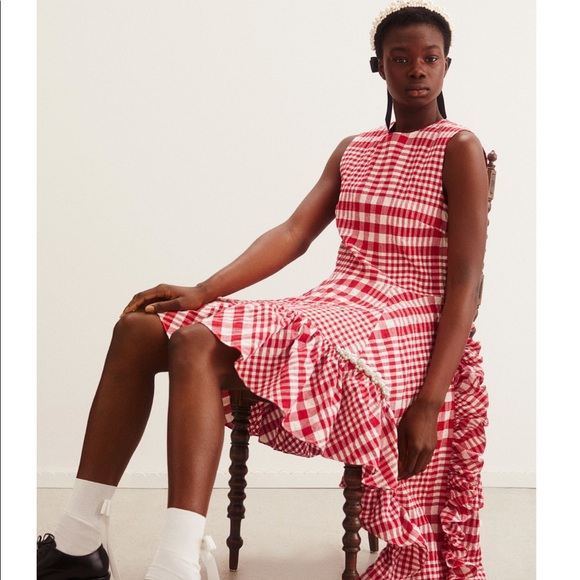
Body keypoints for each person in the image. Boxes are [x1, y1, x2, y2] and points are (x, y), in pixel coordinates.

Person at [37, 1, 491, 578]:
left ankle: (176, 561)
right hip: (338, 300)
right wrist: (203, 290)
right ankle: (78, 541)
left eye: (430, 58)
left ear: (448, 64)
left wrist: (429, 399)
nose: (417, 70)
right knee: (137, 330)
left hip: (402, 319)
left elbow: (466, 279)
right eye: (400, 58)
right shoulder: (354, 148)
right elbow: (294, 232)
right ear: (378, 66)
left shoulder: (459, 147)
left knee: (197, 342)